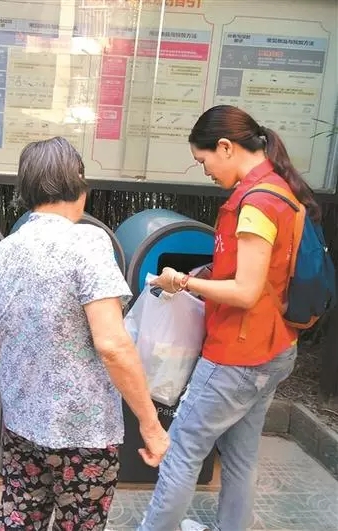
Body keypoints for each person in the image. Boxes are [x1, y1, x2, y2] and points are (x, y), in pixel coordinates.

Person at [138, 105, 321, 531]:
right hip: (274, 348)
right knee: (241, 453)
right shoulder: (282, 191)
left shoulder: (256, 203)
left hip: (237, 354)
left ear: (225, 146)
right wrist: (206, 275)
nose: (204, 171)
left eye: (203, 160)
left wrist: (184, 281)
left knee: (182, 449)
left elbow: (245, 291)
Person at [0, 136, 170, 531]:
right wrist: (151, 425)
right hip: (86, 432)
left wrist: (36, 364)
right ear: (78, 182)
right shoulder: (89, 243)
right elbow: (112, 344)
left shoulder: (6, 249)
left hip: (23, 423)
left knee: (19, 518)